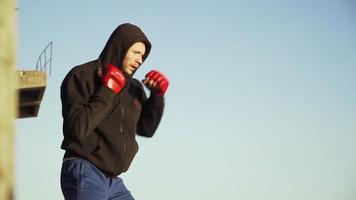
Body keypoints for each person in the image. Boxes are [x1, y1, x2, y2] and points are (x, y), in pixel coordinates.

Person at [59, 23, 169, 200]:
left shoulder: (133, 87)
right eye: (135, 52)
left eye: (143, 55)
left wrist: (157, 97)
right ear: (120, 47)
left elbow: (146, 130)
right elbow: (76, 129)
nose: (140, 60)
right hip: (85, 168)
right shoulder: (83, 75)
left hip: (114, 181)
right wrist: (107, 90)